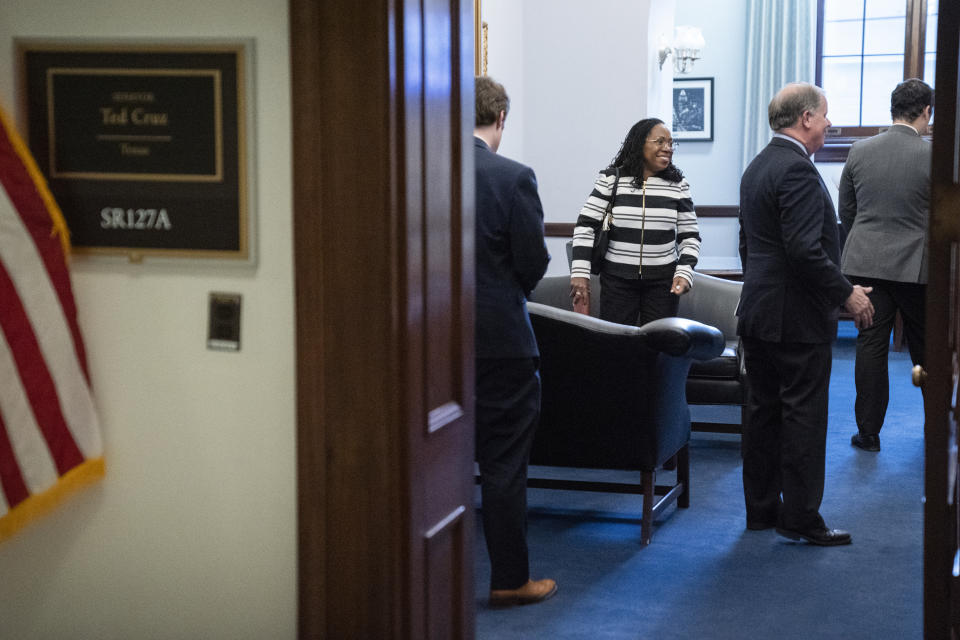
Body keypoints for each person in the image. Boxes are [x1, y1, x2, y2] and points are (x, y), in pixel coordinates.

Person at [738, 82, 874, 546]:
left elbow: (748, 247)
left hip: (758, 313)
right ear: (806, 119)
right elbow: (803, 250)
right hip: (794, 319)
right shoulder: (796, 170)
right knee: (802, 418)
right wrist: (847, 294)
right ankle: (799, 518)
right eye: (825, 114)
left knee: (762, 413)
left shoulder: (757, 166)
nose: (831, 122)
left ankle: (760, 512)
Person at [473, 75, 556, 607]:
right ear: (501, 118)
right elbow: (533, 263)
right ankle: (508, 579)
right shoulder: (512, 177)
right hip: (500, 343)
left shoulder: (413, 169)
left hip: (423, 341)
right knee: (504, 464)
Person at [839, 78, 933, 453]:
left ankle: (868, 433)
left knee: (871, 345)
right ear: (926, 111)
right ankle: (936, 428)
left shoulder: (859, 150)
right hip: (918, 267)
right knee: (926, 350)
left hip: (866, 263)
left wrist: (865, 242)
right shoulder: (933, 156)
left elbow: (847, 210)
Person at [569, 118, 701, 323]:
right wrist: (580, 273)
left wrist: (684, 272)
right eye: (659, 141)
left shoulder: (678, 185)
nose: (667, 148)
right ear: (640, 144)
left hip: (662, 284)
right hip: (617, 282)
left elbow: (690, 237)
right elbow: (585, 226)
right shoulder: (611, 180)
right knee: (618, 347)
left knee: (658, 347)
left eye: (670, 143)